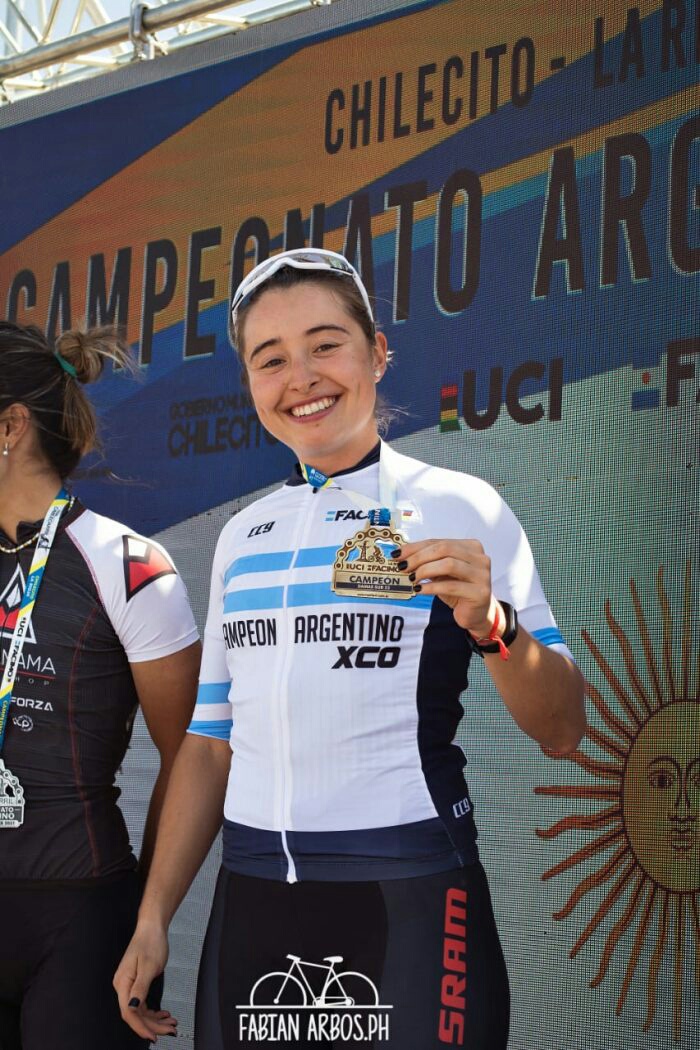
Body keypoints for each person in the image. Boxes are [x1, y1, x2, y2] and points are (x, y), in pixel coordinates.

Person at [115, 249, 586, 1049]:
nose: (301, 376)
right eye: (270, 359)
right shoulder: (242, 537)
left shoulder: (460, 507)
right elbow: (210, 743)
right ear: (250, 384)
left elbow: (564, 728)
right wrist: (154, 915)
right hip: (254, 900)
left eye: (326, 344)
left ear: (377, 352)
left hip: (410, 893)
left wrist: (494, 626)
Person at [0, 322, 200, 1050]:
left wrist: (151, 917)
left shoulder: (126, 562)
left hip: (80, 919)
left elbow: (192, 756)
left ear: (10, 427)